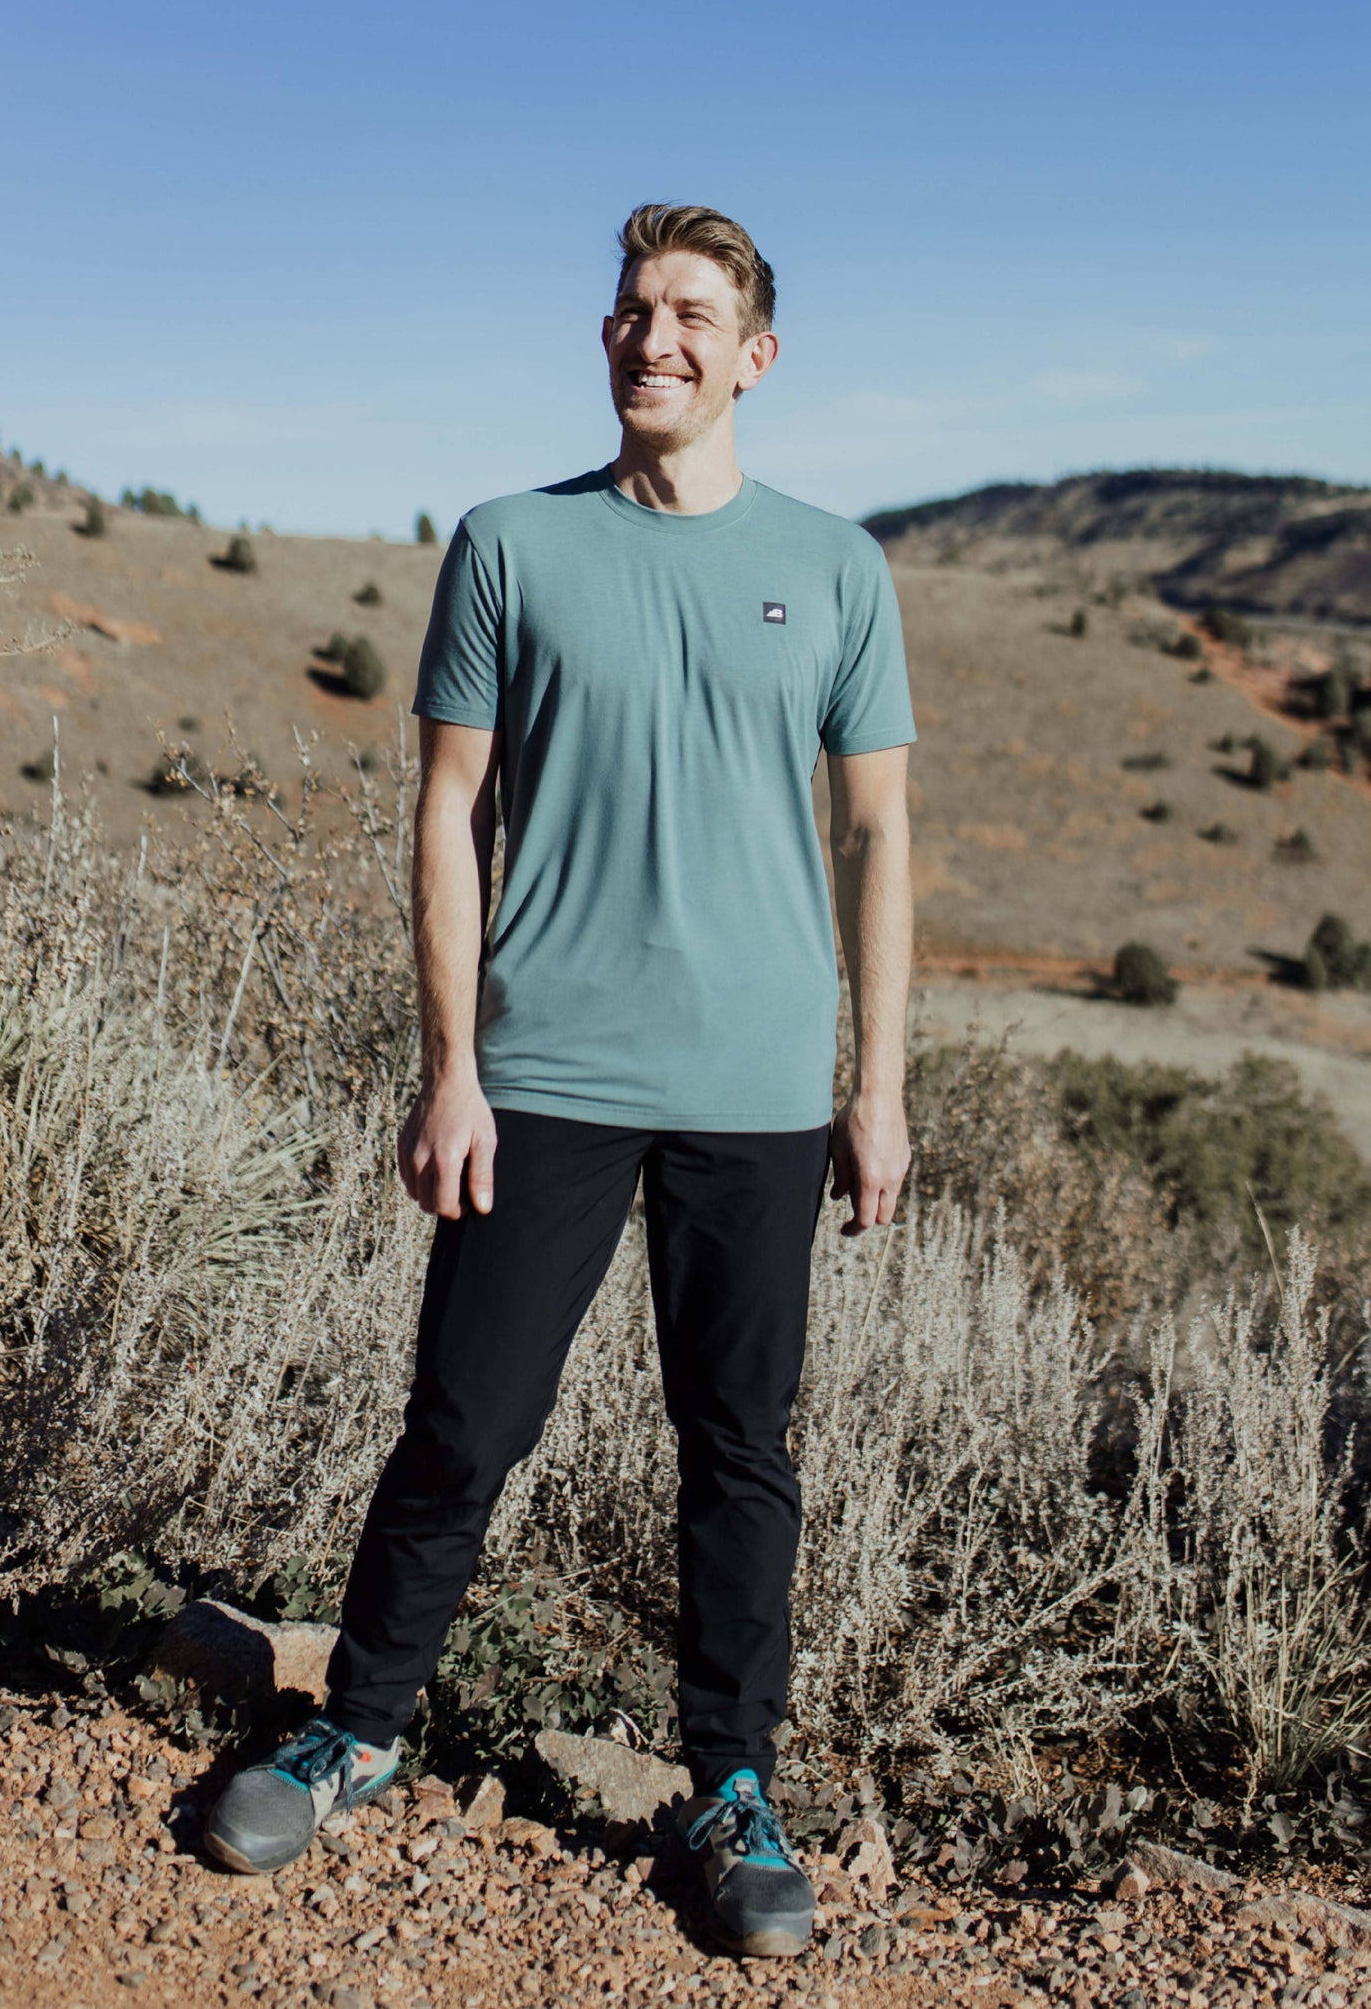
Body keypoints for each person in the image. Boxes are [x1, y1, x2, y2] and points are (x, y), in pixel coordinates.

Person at [205, 203, 916, 1960]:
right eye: (628, 309)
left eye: (690, 314)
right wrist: (451, 1067)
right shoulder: (511, 543)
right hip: (544, 1077)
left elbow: (879, 834)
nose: (649, 337)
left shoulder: (837, 567)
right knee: (463, 1425)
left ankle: (730, 1787)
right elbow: (451, 812)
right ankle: (358, 1725)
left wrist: (875, 1083)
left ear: (755, 355)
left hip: (755, 1086)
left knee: (736, 1447)